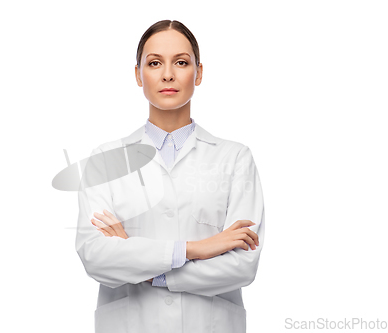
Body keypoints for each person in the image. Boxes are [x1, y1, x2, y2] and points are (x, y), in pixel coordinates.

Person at [75, 19, 265, 333]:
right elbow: (97, 257)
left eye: (180, 62)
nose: (167, 74)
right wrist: (195, 249)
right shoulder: (106, 160)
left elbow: (242, 265)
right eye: (154, 63)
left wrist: (150, 269)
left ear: (199, 73)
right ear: (138, 74)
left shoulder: (235, 158)